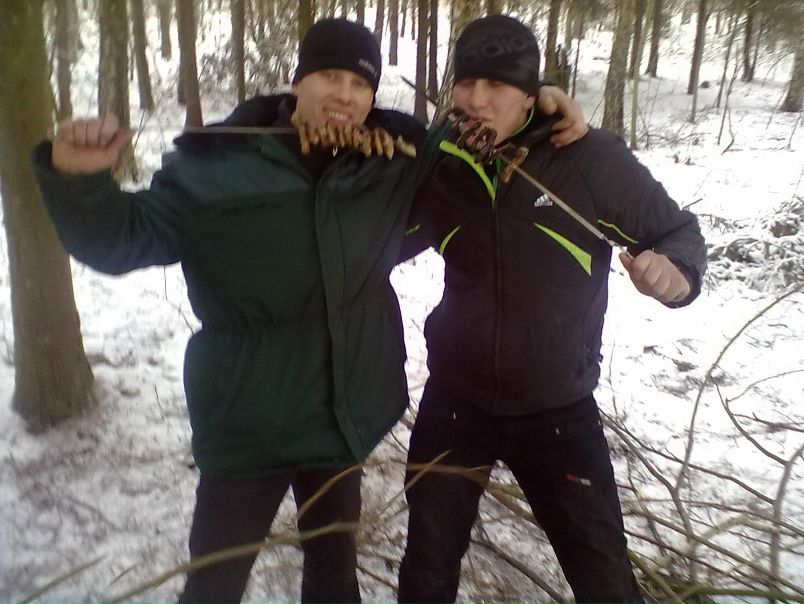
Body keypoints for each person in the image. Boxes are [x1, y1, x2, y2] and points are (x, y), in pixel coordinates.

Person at [30, 17, 587, 604]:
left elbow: (483, 139)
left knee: (334, 567)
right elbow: (121, 241)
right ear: (298, 82)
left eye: (361, 83)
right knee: (215, 580)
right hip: (251, 418)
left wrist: (541, 102)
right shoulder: (216, 166)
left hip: (341, 414)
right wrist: (79, 182)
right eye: (329, 76)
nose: (345, 94)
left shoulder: (392, 157)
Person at [397, 14, 708, 604]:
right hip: (456, 402)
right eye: (468, 82)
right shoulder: (442, 162)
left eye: (497, 85)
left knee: (604, 578)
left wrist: (677, 274)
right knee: (426, 572)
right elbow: (373, 226)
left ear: (529, 93)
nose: (477, 100)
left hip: (557, 412)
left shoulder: (588, 159)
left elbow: (677, 232)